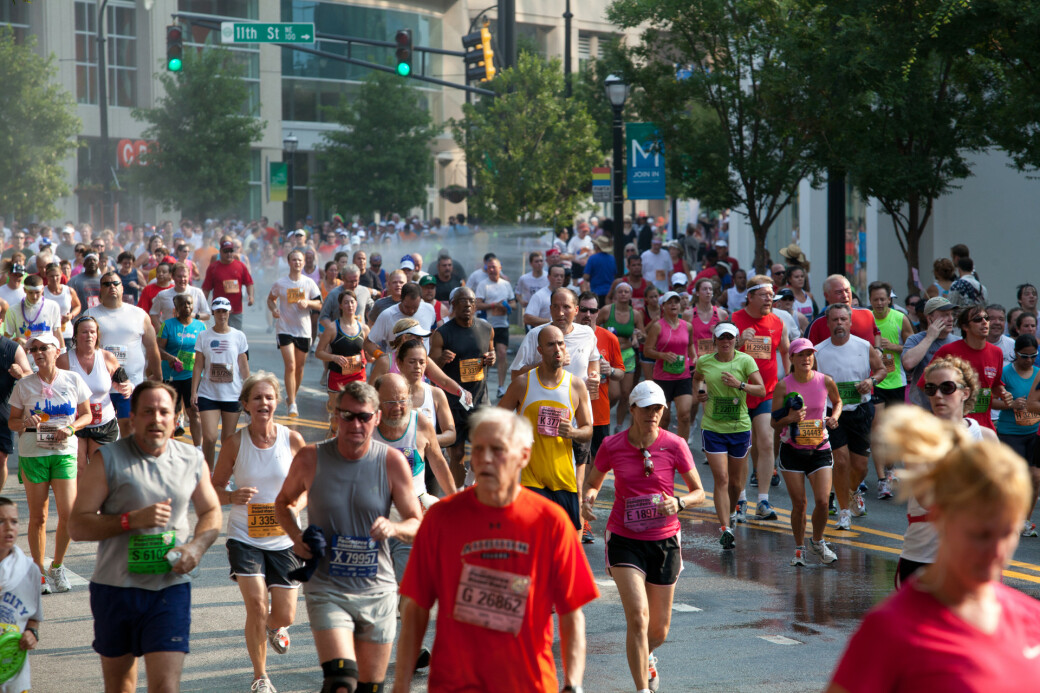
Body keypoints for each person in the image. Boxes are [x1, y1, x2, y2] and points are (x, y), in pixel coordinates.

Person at [826, 405, 1040, 693]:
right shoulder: (890, 630)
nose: (994, 549)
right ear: (941, 519)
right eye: (979, 534)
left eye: (1006, 532)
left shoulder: (1031, 619)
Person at [392, 406, 598, 693]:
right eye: (478, 449)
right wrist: (401, 682)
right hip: (455, 683)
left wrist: (573, 684)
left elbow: (571, 612)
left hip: (528, 683)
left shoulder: (551, 522)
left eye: (498, 449)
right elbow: (416, 606)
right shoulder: (442, 518)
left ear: (523, 456)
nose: (485, 459)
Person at [69, 381, 221, 693]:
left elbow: (212, 512)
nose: (156, 419)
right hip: (115, 588)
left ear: (175, 418)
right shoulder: (108, 459)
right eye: (148, 411)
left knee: (165, 687)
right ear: (134, 417)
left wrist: (196, 546)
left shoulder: (192, 459)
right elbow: (78, 526)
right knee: (120, 686)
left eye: (164, 412)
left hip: (169, 588)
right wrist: (130, 520)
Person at [273, 381, 422, 693]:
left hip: (376, 589)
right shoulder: (311, 458)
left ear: (377, 418)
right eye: (348, 416)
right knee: (341, 681)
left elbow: (415, 523)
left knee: (369, 687)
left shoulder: (391, 462)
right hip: (328, 588)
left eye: (364, 417)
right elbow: (283, 503)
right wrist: (296, 537)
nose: (356, 424)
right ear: (335, 415)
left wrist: (393, 528)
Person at [582, 381, 704, 692]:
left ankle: (647, 654)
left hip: (664, 540)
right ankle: (642, 689)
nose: (653, 413)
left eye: (658, 408)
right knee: (638, 618)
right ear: (633, 409)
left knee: (659, 629)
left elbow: (699, 492)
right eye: (647, 408)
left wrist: (679, 502)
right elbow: (593, 481)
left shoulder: (674, 444)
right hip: (624, 538)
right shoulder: (612, 445)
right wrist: (589, 498)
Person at [211, 373, 307, 693]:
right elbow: (215, 487)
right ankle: (260, 677)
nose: (263, 403)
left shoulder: (292, 439)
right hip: (245, 535)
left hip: (284, 537)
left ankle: (273, 627)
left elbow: (309, 482)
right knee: (256, 605)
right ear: (246, 405)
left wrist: (295, 505)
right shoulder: (235, 443)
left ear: (276, 402)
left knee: (284, 613)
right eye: (257, 398)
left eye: (269, 397)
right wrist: (230, 497)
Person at [8, 332, 92, 594]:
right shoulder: (24, 385)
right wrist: (25, 423)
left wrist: (71, 428)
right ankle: (39, 572)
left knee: (68, 513)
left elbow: (87, 414)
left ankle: (57, 566)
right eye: (33, 349)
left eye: (44, 348)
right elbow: (12, 421)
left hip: (64, 452)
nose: (38, 353)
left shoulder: (73, 379)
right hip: (34, 454)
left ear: (57, 351)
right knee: (39, 516)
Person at [500, 325, 594, 531]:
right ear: (540, 350)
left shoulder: (576, 385)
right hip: (528, 478)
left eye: (561, 343)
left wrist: (573, 432)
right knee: (532, 544)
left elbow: (588, 429)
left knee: (565, 548)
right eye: (551, 344)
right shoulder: (522, 384)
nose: (557, 349)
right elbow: (497, 422)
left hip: (564, 480)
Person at [509, 290, 600, 503]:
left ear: (576, 310)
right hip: (540, 423)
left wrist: (594, 375)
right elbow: (516, 375)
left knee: (576, 486)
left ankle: (578, 525)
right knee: (540, 487)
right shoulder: (536, 335)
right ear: (549, 309)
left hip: (577, 421)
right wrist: (547, 362)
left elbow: (593, 358)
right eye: (556, 307)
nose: (561, 312)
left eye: (566, 307)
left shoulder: (587, 334)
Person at [372, 373, 456, 581]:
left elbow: (438, 463)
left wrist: (455, 500)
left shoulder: (421, 424)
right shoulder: (366, 425)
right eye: (390, 402)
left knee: (407, 581)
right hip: (372, 521)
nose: (398, 407)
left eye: (402, 401)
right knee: (376, 586)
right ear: (376, 400)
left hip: (410, 519)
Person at [693, 322, 766, 548]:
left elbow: (762, 390)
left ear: (736, 339)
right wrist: (700, 392)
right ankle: (725, 527)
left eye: (730, 338)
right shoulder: (705, 361)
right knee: (722, 479)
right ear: (714, 341)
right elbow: (697, 379)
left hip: (740, 427)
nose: (726, 342)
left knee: (735, 483)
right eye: (721, 338)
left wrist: (740, 384)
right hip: (713, 428)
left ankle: (732, 512)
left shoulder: (745, 361)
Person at [815, 304, 886, 530]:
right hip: (832, 414)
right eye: (834, 320)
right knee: (842, 461)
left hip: (860, 411)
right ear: (828, 323)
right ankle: (844, 513)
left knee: (861, 467)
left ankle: (851, 491)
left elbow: (882, 370)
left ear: (850, 322)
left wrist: (871, 382)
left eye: (843, 319)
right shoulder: (819, 351)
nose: (839, 324)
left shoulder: (864, 346)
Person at [771, 338, 842, 565]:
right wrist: (789, 418)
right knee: (800, 504)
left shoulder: (825, 381)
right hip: (792, 449)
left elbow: (838, 401)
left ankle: (818, 541)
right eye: (800, 355)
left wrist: (834, 417)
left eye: (809, 354)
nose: (806, 358)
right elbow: (774, 422)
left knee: (822, 502)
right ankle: (799, 549)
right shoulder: (784, 385)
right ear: (791, 358)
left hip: (820, 447)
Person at [732, 277, 790, 520]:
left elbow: (785, 352)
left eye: (771, 294)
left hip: (767, 391)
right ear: (750, 296)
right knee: (744, 447)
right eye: (764, 294)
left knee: (766, 441)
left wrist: (790, 383)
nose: (769, 299)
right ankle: (740, 499)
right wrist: (739, 341)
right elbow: (717, 353)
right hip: (738, 392)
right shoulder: (734, 320)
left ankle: (763, 501)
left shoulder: (778, 322)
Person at [430, 286, 495, 487]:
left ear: (475, 305)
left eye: (471, 301)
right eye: (462, 301)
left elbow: (490, 355)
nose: (467, 304)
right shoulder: (442, 334)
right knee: (457, 453)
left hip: (479, 399)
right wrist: (441, 360)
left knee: (484, 446)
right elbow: (430, 368)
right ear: (453, 305)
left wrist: (490, 359)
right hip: (452, 402)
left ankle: (469, 481)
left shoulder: (486, 329)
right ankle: (457, 492)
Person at [86, 271, 162, 437]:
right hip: (100, 386)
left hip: (131, 383)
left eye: (115, 283)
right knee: (102, 434)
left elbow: (151, 347)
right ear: (100, 290)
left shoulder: (139, 314)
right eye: (106, 284)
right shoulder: (90, 315)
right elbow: (82, 351)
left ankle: (129, 462)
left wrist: (158, 376)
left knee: (129, 429)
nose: (111, 287)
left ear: (122, 288)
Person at [575, 291, 624, 543]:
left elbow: (620, 374)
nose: (588, 315)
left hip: (599, 414)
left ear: (598, 313)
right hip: (571, 413)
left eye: (592, 311)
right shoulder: (567, 336)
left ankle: (584, 519)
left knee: (595, 470)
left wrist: (610, 369)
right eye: (583, 309)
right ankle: (575, 519)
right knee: (574, 468)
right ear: (576, 310)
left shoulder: (608, 338)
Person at [921, 303, 1010, 431]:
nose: (984, 322)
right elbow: (925, 385)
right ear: (965, 327)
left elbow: (995, 385)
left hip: (984, 426)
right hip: (953, 427)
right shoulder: (948, 351)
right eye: (978, 320)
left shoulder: (997, 352)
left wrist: (1003, 393)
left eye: (986, 318)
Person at [58, 316, 130, 459]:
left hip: (104, 423)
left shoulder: (108, 358)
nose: (89, 336)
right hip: (75, 423)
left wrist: (127, 387)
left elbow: (125, 383)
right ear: (76, 336)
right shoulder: (64, 361)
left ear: (97, 335)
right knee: (80, 469)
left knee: (100, 467)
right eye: (84, 332)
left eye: (92, 332)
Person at [191, 297, 249, 469]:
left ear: (229, 312)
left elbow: (244, 366)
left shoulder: (239, 336)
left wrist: (249, 389)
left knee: (228, 439)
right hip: (209, 393)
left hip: (232, 394)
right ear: (213, 313)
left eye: (225, 311)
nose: (222, 315)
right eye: (218, 311)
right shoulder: (204, 335)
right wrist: (194, 392)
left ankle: (223, 477)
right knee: (209, 437)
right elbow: (198, 365)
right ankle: (208, 474)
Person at [869, 280, 914, 498]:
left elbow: (912, 345)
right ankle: (882, 479)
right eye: (875, 299)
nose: (879, 303)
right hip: (874, 381)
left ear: (889, 299)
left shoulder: (900, 318)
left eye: (883, 299)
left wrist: (892, 347)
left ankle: (889, 470)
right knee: (877, 430)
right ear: (870, 300)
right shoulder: (865, 319)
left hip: (896, 381)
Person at [268, 249, 323, 417]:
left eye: (300, 260)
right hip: (285, 328)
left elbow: (320, 305)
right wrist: (274, 310)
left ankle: (292, 395)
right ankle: (292, 403)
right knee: (290, 365)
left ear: (304, 262)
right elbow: (271, 299)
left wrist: (308, 303)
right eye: (294, 260)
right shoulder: (281, 283)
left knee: (299, 368)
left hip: (303, 330)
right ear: (289, 262)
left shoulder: (309, 283)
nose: (297, 263)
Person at [0, 497, 42, 693]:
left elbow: (33, 616)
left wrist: (31, 633)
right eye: (1, 521)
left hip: (12, 667)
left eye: (14, 521)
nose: (9, 527)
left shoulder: (28, 570)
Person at [1000, 335, 1040, 537]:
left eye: (1034, 356)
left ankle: (1025, 519)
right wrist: (1011, 404)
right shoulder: (1005, 373)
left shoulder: (1039, 374)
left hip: (1034, 433)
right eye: (1024, 356)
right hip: (1009, 432)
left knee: (1035, 478)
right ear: (1015, 353)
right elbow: (991, 401)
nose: (1029, 360)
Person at [644, 290, 696, 443]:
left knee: (685, 415)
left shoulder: (687, 326)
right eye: (670, 302)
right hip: (663, 377)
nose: (674, 305)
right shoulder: (657, 327)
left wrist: (694, 358)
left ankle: (682, 449)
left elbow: (691, 344)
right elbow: (647, 351)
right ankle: (660, 446)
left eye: (676, 302)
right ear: (663, 306)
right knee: (663, 419)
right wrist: (663, 355)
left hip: (683, 376)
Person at [156, 294, 206, 446]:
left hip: (192, 376)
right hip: (172, 376)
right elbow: (157, 349)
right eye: (183, 304)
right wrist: (170, 358)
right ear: (176, 308)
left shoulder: (200, 326)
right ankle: (168, 446)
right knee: (172, 413)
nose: (187, 307)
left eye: (189, 304)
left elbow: (206, 351)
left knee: (194, 412)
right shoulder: (168, 325)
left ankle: (198, 449)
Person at [598, 281, 644, 431]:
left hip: (628, 355)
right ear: (615, 294)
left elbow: (644, 335)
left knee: (625, 394)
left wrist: (639, 335)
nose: (623, 294)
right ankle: (601, 415)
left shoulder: (635, 314)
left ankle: (618, 425)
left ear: (630, 295)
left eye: (626, 292)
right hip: (610, 356)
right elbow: (592, 328)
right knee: (615, 394)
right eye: (620, 291)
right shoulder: (606, 311)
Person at [396, 339, 456, 450]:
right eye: (412, 361)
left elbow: (451, 434)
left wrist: (427, 438)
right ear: (399, 362)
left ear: (426, 364)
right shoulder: (388, 392)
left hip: (429, 459)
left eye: (421, 362)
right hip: (397, 458)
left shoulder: (436, 394)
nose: (417, 366)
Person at [315, 289, 369, 410]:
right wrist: (334, 357)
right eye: (346, 302)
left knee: (356, 411)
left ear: (356, 304)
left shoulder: (364, 328)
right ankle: (333, 424)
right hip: (338, 376)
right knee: (337, 416)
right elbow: (319, 352)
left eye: (352, 302)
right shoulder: (332, 328)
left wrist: (373, 356)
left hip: (358, 375)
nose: (349, 305)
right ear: (340, 306)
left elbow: (369, 353)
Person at [474, 258, 517, 398]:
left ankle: (501, 386)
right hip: (486, 325)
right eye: (489, 267)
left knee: (502, 353)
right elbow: (477, 304)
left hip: (502, 325)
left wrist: (507, 307)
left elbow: (514, 304)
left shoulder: (506, 284)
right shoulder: (483, 284)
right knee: (485, 355)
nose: (492, 270)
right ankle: (481, 384)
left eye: (495, 267)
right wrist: (494, 305)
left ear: (500, 268)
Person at [806, 274, 880, 346]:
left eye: (847, 290)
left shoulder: (867, 314)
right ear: (826, 296)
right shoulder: (816, 324)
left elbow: (877, 333)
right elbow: (808, 353)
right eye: (839, 292)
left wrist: (878, 349)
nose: (845, 296)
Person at [0, 333, 29, 492]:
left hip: (2, 408)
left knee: (1, 458)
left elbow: (29, 374)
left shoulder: (12, 348)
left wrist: (20, 374)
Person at [2, 274, 62, 348]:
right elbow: (6, 338)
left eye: (37, 292)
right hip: (25, 355)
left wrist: (62, 353)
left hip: (46, 355)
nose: (34, 296)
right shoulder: (13, 310)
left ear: (42, 289)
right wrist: (17, 340)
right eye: (30, 292)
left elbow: (57, 333)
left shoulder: (53, 306)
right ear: (24, 290)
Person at [149, 262, 211, 331]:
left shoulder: (197, 292)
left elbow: (207, 315)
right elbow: (153, 313)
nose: (182, 279)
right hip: (170, 333)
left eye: (185, 276)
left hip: (191, 333)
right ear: (173, 277)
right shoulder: (163, 295)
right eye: (179, 276)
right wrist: (159, 328)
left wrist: (193, 315)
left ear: (189, 277)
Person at [44, 261, 80, 349]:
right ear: (47, 276)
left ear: (61, 275)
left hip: (67, 332)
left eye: (57, 275)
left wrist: (71, 315)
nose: (54, 278)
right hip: (48, 333)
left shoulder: (68, 291)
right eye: (51, 276)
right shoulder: (42, 292)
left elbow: (77, 305)